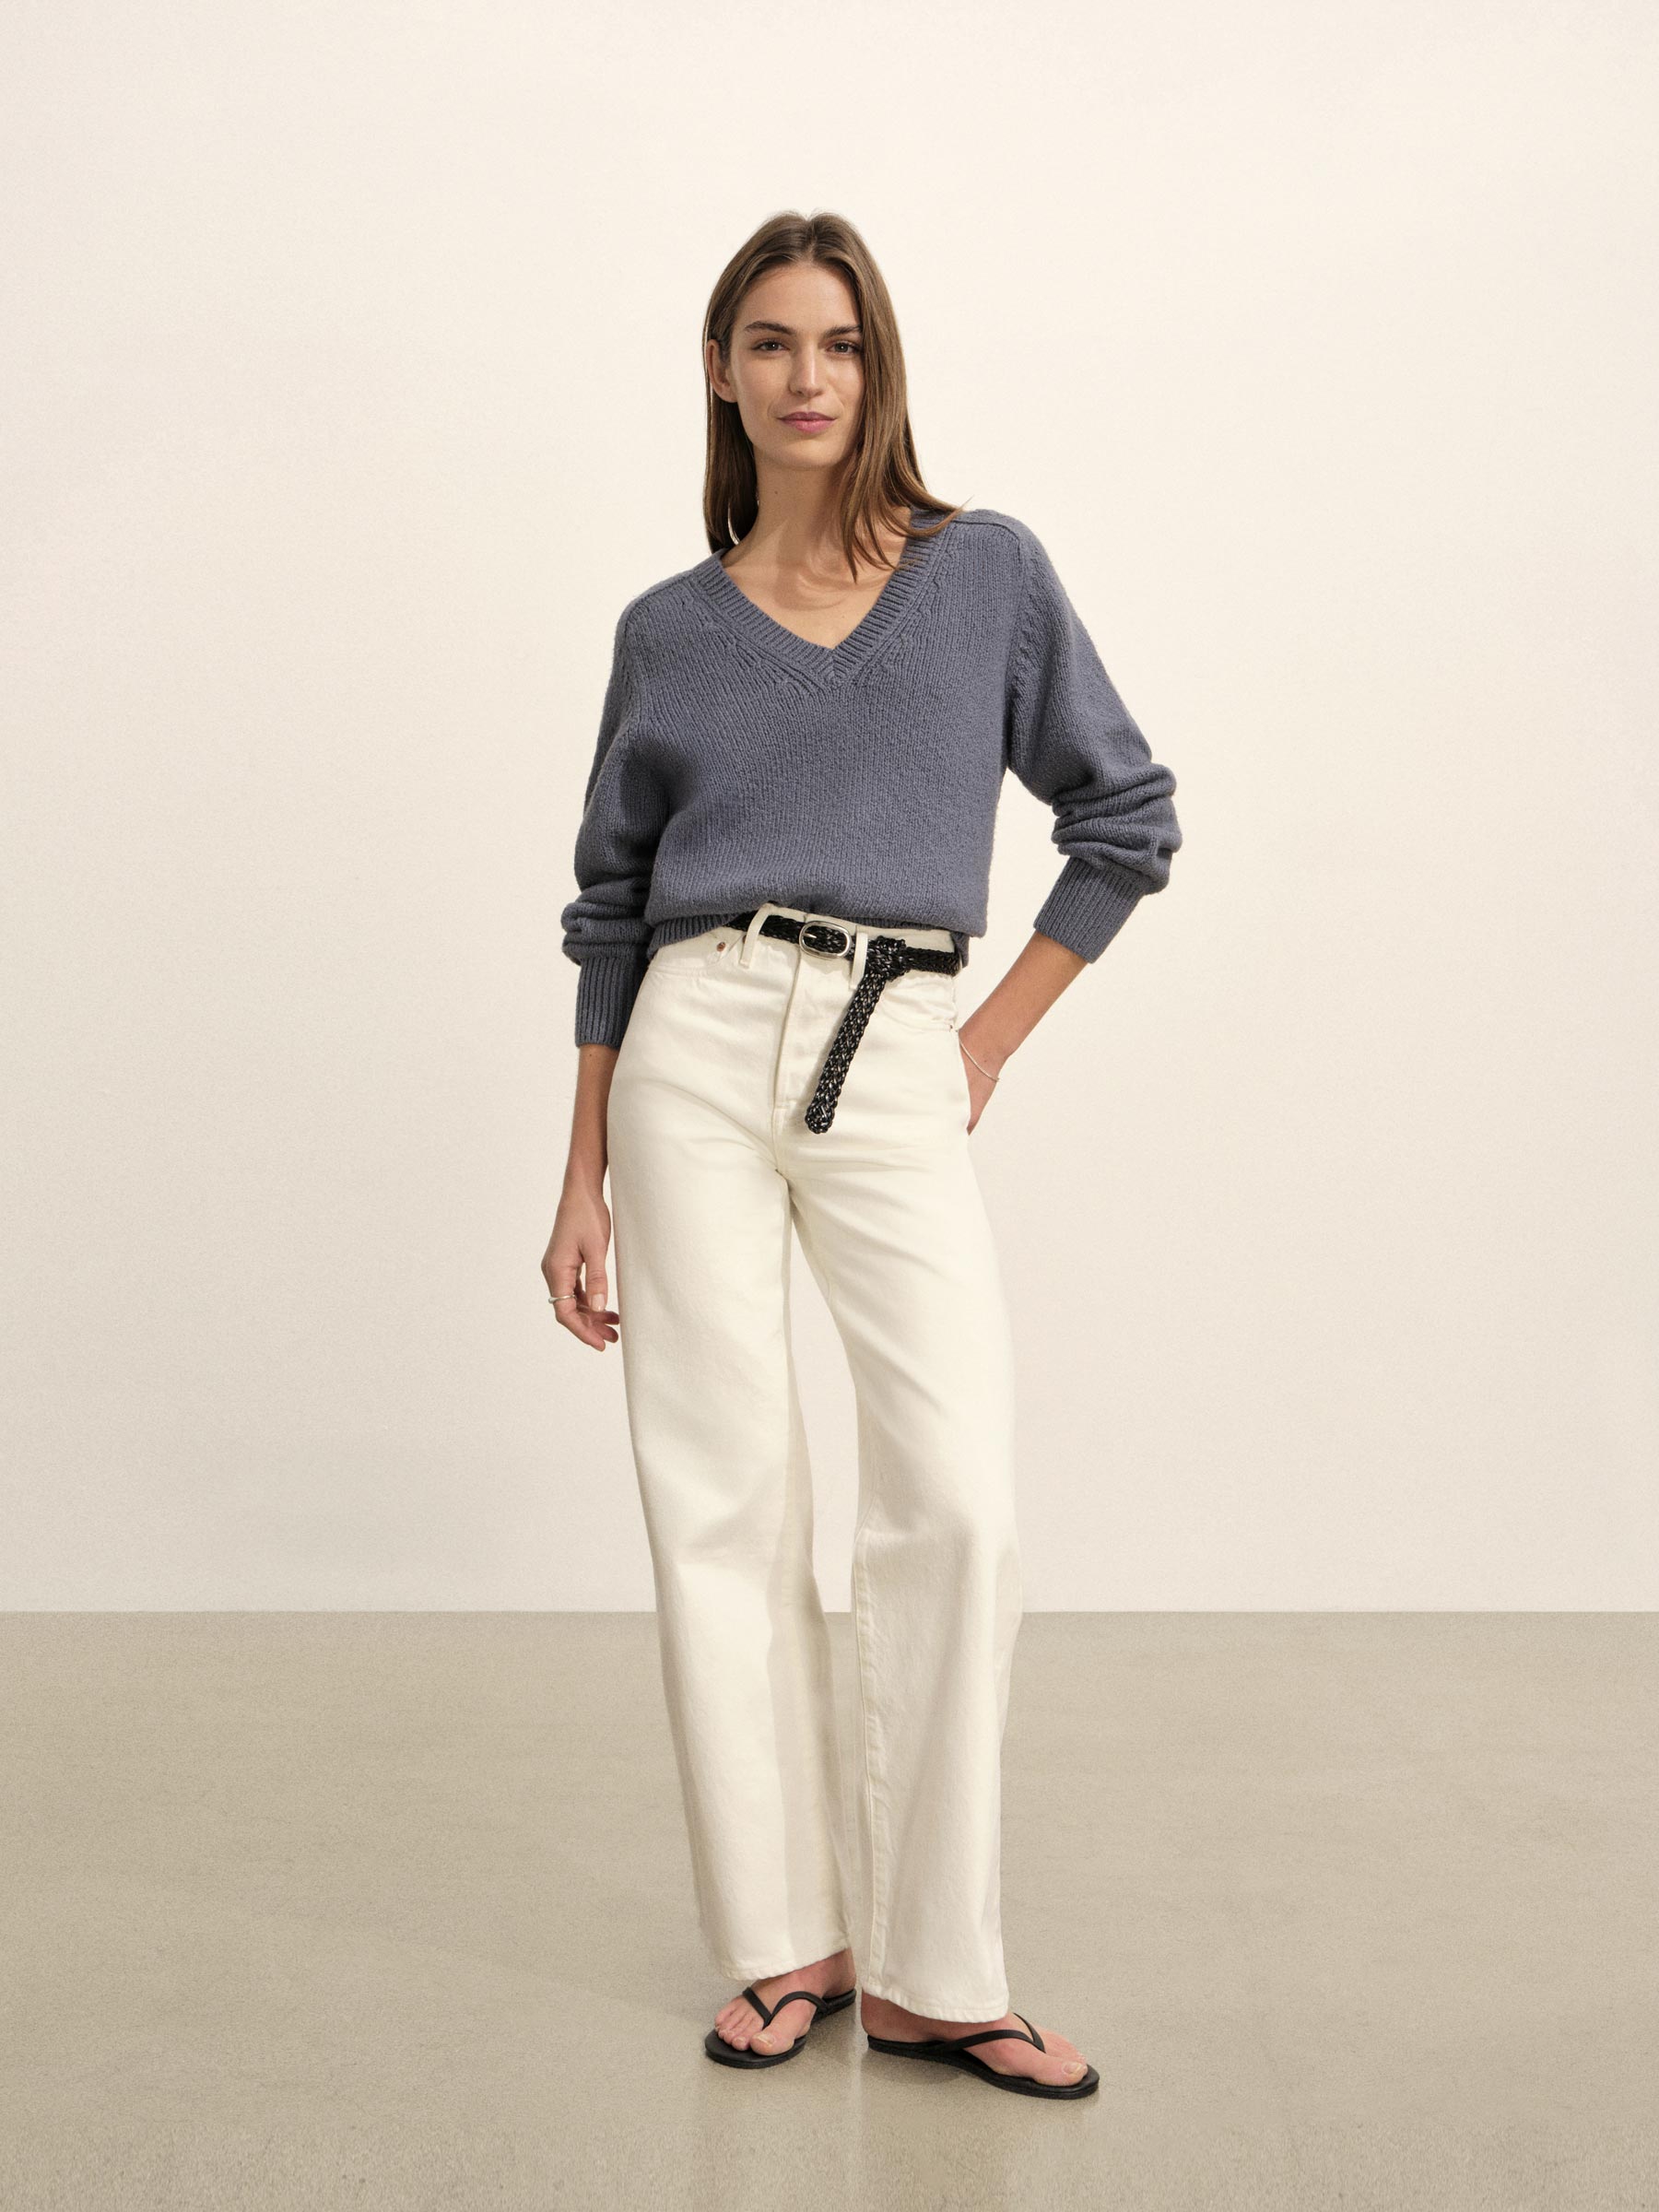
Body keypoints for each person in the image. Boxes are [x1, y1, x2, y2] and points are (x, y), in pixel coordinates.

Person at [544, 210, 1182, 2100]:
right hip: (690, 1043)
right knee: (721, 1495)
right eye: (769, 342)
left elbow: (1126, 819)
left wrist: (980, 1042)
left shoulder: (986, 576)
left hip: (897, 1037)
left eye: (836, 342)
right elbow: (607, 911)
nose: (805, 375)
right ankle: (784, 1942)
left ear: (877, 365)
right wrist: (578, 1177)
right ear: (721, 373)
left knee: (957, 1499)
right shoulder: (667, 632)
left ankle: (935, 1972)